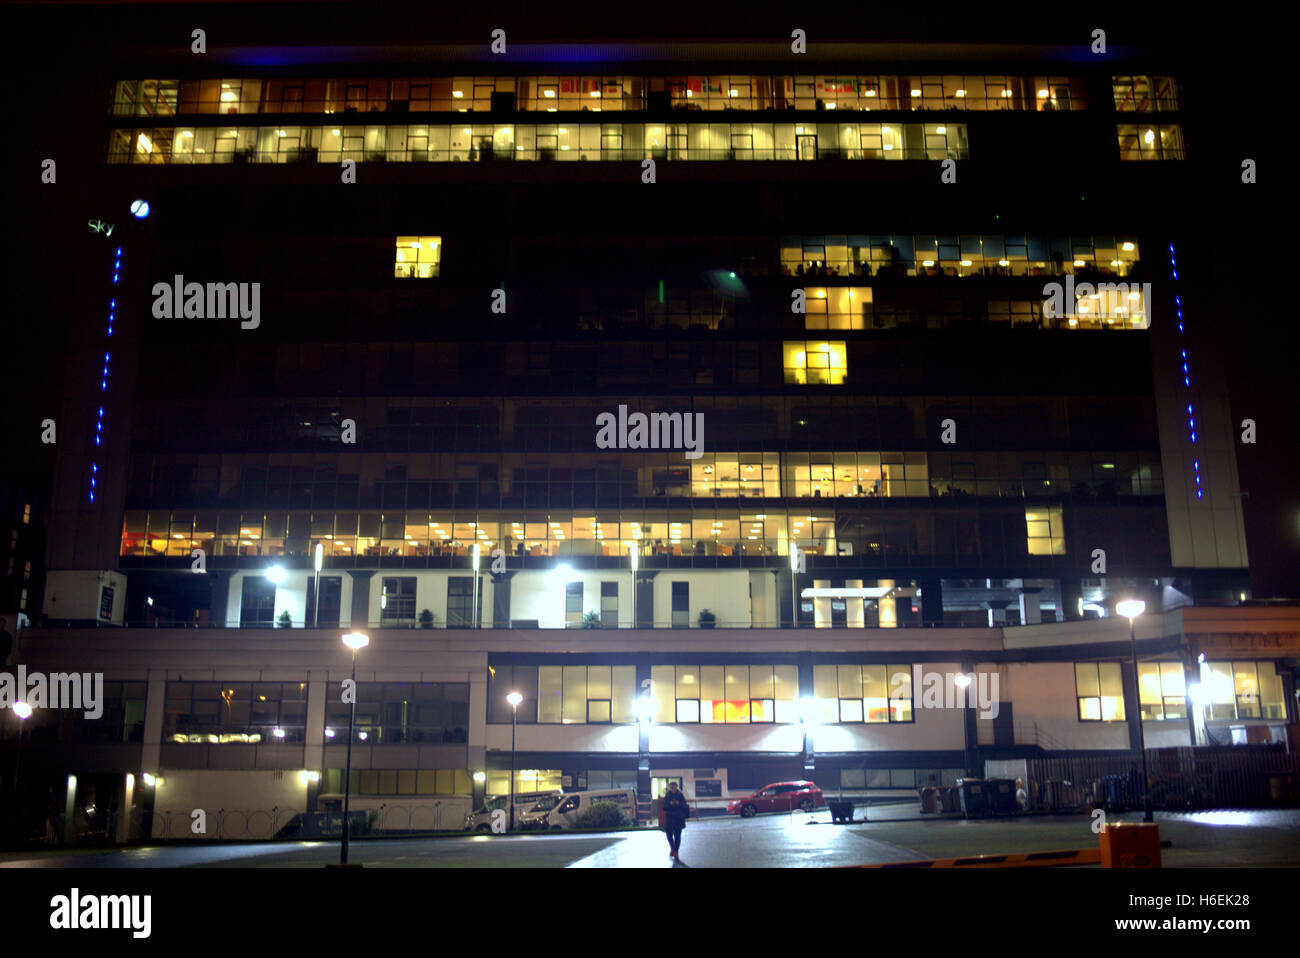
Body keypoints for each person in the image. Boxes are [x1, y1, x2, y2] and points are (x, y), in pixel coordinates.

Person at [662, 781, 689, 860]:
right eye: (671, 787)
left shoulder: (680, 795)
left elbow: (685, 806)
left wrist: (678, 803)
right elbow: (664, 807)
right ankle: (672, 848)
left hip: (678, 818)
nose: (672, 788)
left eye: (674, 787)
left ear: (676, 787)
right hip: (670, 818)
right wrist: (669, 804)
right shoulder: (667, 795)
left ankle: (676, 851)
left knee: (677, 836)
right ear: (669, 787)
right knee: (668, 834)